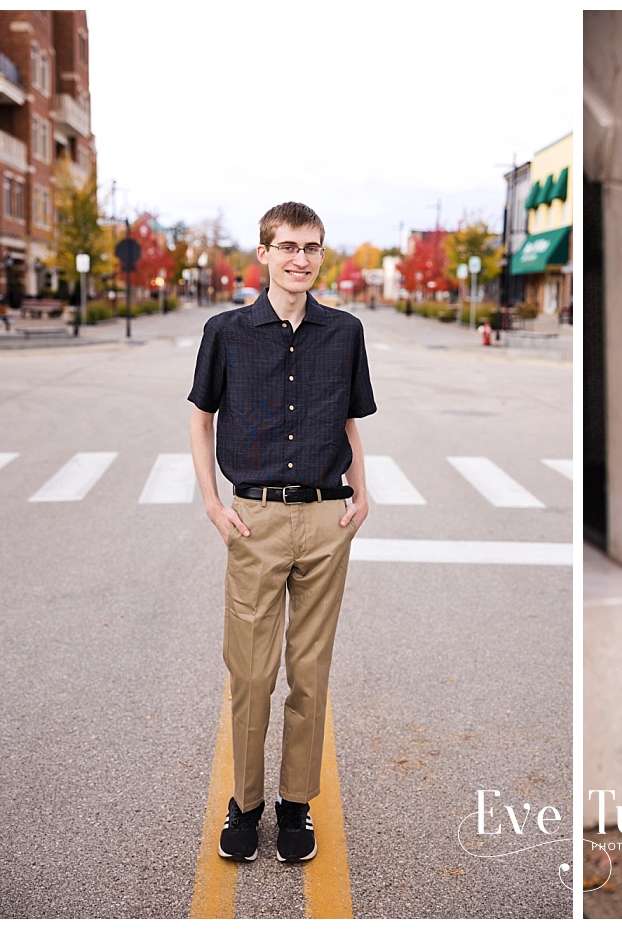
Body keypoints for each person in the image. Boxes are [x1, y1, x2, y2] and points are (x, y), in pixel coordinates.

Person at [187, 202, 375, 863]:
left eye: (313, 247)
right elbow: (201, 418)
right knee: (250, 672)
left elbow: (350, 420)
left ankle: (296, 805)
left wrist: (362, 490)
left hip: (327, 518)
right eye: (288, 246)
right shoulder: (227, 331)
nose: (301, 258)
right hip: (255, 517)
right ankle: (245, 804)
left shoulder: (345, 332)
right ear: (263, 253)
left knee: (310, 672)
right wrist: (213, 503)